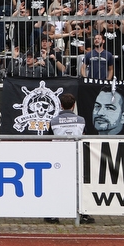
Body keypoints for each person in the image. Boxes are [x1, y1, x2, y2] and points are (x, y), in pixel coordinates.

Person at [47, 93, 94, 224]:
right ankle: (83, 214)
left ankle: (53, 214)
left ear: (61, 106)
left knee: (57, 185)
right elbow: (85, 135)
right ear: (73, 106)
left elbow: (48, 138)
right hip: (76, 156)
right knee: (79, 184)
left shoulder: (54, 121)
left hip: (59, 157)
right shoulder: (81, 120)